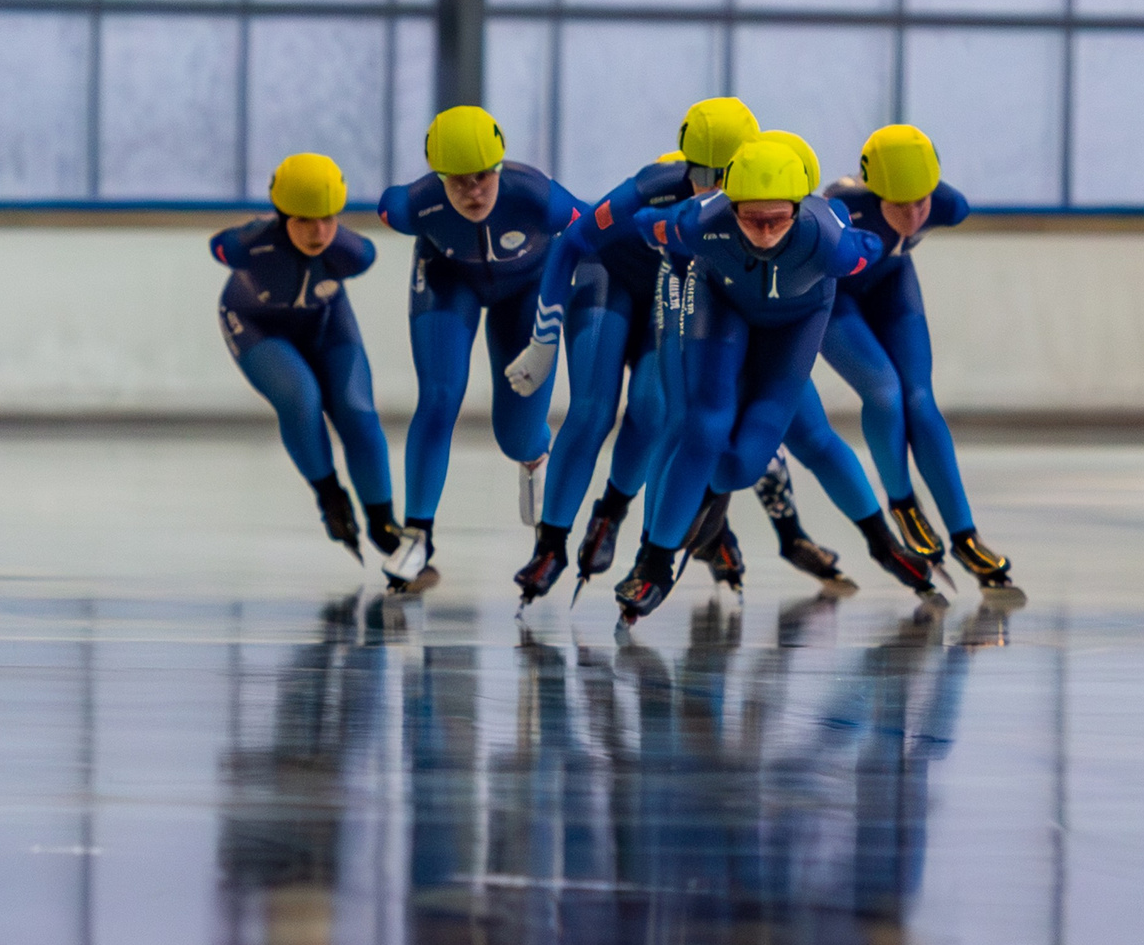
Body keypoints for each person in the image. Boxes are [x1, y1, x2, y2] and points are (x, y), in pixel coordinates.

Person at [612, 138, 931, 623]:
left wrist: (853, 225)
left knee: (752, 461)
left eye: (777, 219)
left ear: (800, 208)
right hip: (722, 314)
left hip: (792, 329)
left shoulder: (832, 243)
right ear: (731, 202)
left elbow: (872, 248)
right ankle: (653, 562)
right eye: (750, 218)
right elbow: (641, 224)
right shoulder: (703, 220)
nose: (763, 232)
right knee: (699, 427)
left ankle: (882, 543)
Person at [501, 98, 760, 603]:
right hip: (611, 280)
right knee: (593, 411)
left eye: (726, 175)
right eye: (700, 173)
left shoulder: (760, 207)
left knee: (651, 409)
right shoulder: (654, 187)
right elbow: (571, 243)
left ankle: (612, 509)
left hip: (674, 292)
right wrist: (543, 339)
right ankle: (551, 543)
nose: (713, 188)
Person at [376, 106, 584, 589]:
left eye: (483, 179)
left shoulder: (539, 198)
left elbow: (593, 238)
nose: (473, 192)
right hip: (451, 282)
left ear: (500, 168)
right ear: (437, 176)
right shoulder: (410, 207)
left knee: (515, 435)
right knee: (439, 397)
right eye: (458, 182)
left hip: (530, 288)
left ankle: (534, 455)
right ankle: (419, 534)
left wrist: (547, 334)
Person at [822, 124, 1012, 588]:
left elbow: (939, 207)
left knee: (921, 403)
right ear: (875, 193)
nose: (911, 215)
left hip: (891, 286)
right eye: (898, 205)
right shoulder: (840, 208)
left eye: (920, 204)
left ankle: (965, 535)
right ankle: (902, 503)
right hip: (833, 301)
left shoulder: (947, 205)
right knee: (885, 393)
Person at [211, 153, 400, 560]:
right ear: (281, 216)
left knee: (358, 412)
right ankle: (330, 496)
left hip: (326, 323)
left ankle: (384, 523)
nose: (319, 232)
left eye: (329, 218)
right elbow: (220, 245)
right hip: (257, 325)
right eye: (304, 220)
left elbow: (362, 251)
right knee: (301, 397)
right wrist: (251, 232)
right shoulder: (249, 246)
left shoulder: (354, 253)